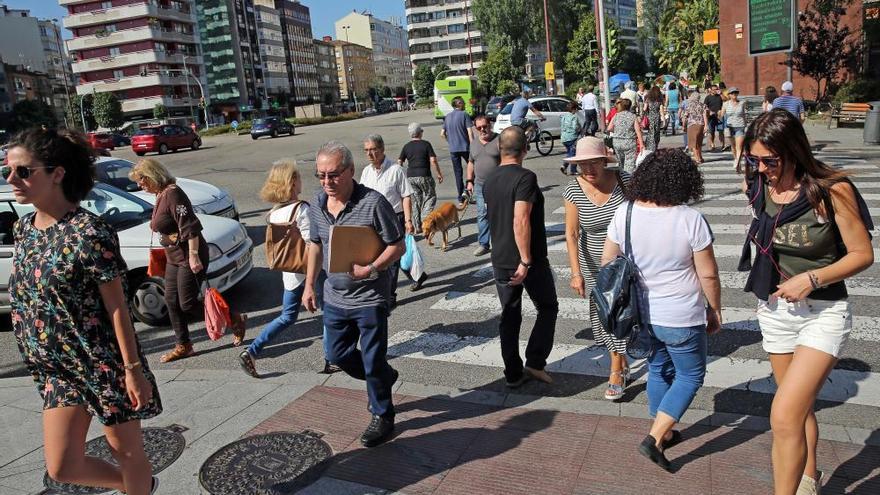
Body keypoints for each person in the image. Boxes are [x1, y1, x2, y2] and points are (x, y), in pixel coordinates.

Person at [7, 128, 161, 494]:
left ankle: (136, 486)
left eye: (23, 171)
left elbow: (118, 307)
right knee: (62, 466)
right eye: (8, 171)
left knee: (127, 453)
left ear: (57, 173)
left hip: (101, 364)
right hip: (56, 370)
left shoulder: (89, 233)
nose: (12, 179)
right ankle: (137, 487)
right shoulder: (23, 229)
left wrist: (133, 371)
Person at [737, 110, 874, 495]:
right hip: (778, 311)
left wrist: (812, 278)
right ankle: (809, 477)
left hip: (824, 312)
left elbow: (862, 254)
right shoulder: (761, 186)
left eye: (770, 160)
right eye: (754, 159)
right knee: (797, 409)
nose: (761, 168)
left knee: (782, 415)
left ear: (794, 150)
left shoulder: (831, 190)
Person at [600, 148, 722, 473]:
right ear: (684, 181)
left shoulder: (624, 213)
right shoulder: (689, 218)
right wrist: (715, 309)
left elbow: (607, 263)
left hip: (643, 313)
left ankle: (663, 430)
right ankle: (654, 439)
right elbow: (708, 273)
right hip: (682, 313)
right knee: (691, 375)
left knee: (658, 369)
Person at [303, 141, 405, 448]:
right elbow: (315, 245)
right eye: (321, 175)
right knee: (336, 354)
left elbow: (397, 245)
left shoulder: (373, 203)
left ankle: (382, 414)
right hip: (334, 296)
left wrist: (372, 268)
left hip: (370, 297)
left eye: (333, 175)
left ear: (350, 171)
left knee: (372, 360)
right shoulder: (317, 204)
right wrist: (309, 284)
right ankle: (385, 377)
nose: (326, 182)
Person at [130, 159, 247, 363]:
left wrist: (193, 256)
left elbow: (190, 226)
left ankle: (233, 318)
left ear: (152, 176)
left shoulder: (174, 193)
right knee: (171, 301)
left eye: (141, 180)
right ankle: (183, 345)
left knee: (186, 303)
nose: (140, 185)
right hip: (173, 257)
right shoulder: (160, 194)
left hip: (189, 255)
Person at [483, 127, 559, 388]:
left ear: (500, 149)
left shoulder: (490, 179)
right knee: (547, 307)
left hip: (500, 257)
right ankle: (535, 362)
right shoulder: (526, 177)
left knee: (510, 314)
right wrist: (525, 260)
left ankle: (512, 373)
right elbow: (520, 219)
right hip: (528, 259)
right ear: (525, 149)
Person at [238, 160, 324, 378]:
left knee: (287, 316)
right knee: (332, 313)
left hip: (291, 273)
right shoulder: (301, 209)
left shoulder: (274, 213)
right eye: (298, 177)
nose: (301, 180)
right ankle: (332, 358)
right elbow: (312, 244)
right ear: (292, 182)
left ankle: (252, 350)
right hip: (311, 271)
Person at [562, 137, 632, 401]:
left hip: (625, 261)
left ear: (605, 161)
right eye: (582, 164)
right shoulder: (573, 189)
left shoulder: (624, 180)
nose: (588, 170)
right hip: (593, 265)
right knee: (606, 315)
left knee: (622, 312)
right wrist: (575, 272)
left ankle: (616, 370)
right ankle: (620, 359)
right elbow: (571, 233)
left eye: (594, 163)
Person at [361, 134, 426, 295]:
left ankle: (390, 295)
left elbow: (406, 196)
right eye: (366, 150)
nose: (370, 154)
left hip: (393, 219)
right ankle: (418, 275)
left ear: (382, 149)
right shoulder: (366, 172)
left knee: (392, 259)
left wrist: (408, 220)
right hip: (373, 222)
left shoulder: (395, 170)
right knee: (380, 257)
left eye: (373, 149)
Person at [398, 122, 443, 234]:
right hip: (424, 175)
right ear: (419, 133)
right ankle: (425, 219)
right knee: (430, 196)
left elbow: (399, 162)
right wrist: (438, 173)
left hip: (411, 177)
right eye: (422, 131)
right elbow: (433, 160)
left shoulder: (406, 146)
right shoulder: (426, 144)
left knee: (416, 201)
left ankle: (417, 226)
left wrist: (401, 176)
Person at [466, 114, 501, 257]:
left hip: (498, 185)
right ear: (475, 128)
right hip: (480, 185)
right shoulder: (473, 143)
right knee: (482, 214)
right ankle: (484, 244)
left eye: (484, 126)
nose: (482, 129)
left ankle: (500, 243)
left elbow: (508, 159)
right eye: (479, 127)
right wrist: (469, 181)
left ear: (490, 125)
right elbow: (471, 162)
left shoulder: (499, 140)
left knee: (500, 214)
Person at [440, 96, 473, 205]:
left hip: (453, 149)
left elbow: (442, 134)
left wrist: (450, 142)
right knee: (474, 168)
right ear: (459, 104)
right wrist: (473, 145)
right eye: (463, 102)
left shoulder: (447, 117)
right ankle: (467, 191)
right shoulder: (464, 115)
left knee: (458, 173)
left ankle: (460, 198)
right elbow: (470, 132)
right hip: (465, 148)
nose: (464, 104)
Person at [606, 98, 644, 173]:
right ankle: (628, 180)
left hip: (617, 142)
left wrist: (617, 131)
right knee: (629, 164)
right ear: (630, 106)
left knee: (621, 163)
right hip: (629, 142)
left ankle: (621, 179)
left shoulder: (616, 115)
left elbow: (609, 128)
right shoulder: (633, 116)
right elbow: (638, 131)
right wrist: (642, 144)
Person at [719, 87, 747, 168]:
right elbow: (721, 115)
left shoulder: (742, 103)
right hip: (730, 127)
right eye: (732, 93)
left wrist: (746, 124)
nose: (734, 94)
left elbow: (744, 115)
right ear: (729, 95)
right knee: (733, 146)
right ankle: (736, 159)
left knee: (739, 146)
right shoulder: (726, 104)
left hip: (740, 126)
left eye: (736, 93)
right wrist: (719, 113)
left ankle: (738, 162)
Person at [685, 89, 708, 164]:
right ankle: (700, 157)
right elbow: (705, 116)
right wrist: (706, 126)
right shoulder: (703, 105)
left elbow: (685, 116)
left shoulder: (689, 105)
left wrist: (683, 125)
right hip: (701, 125)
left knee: (693, 143)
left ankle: (697, 158)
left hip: (691, 125)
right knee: (699, 142)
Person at [560, 101, 582, 175]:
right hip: (572, 137)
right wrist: (579, 129)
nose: (577, 111)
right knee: (573, 154)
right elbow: (575, 127)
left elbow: (562, 126)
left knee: (570, 152)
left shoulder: (564, 116)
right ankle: (571, 169)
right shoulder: (574, 117)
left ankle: (566, 167)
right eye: (576, 109)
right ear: (574, 109)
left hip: (564, 138)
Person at [704, 84, 724, 152]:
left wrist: (721, 94)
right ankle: (712, 144)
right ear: (711, 90)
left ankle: (722, 145)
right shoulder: (708, 97)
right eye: (715, 89)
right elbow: (705, 107)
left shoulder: (719, 96)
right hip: (711, 117)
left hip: (719, 116)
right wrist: (709, 112)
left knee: (721, 131)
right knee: (711, 132)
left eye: (717, 89)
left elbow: (726, 100)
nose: (716, 90)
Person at [643, 86, 664, 151]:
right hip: (657, 118)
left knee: (650, 132)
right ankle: (655, 146)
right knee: (656, 132)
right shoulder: (659, 99)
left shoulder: (648, 99)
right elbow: (661, 110)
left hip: (650, 117)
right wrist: (663, 119)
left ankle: (649, 146)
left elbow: (644, 109)